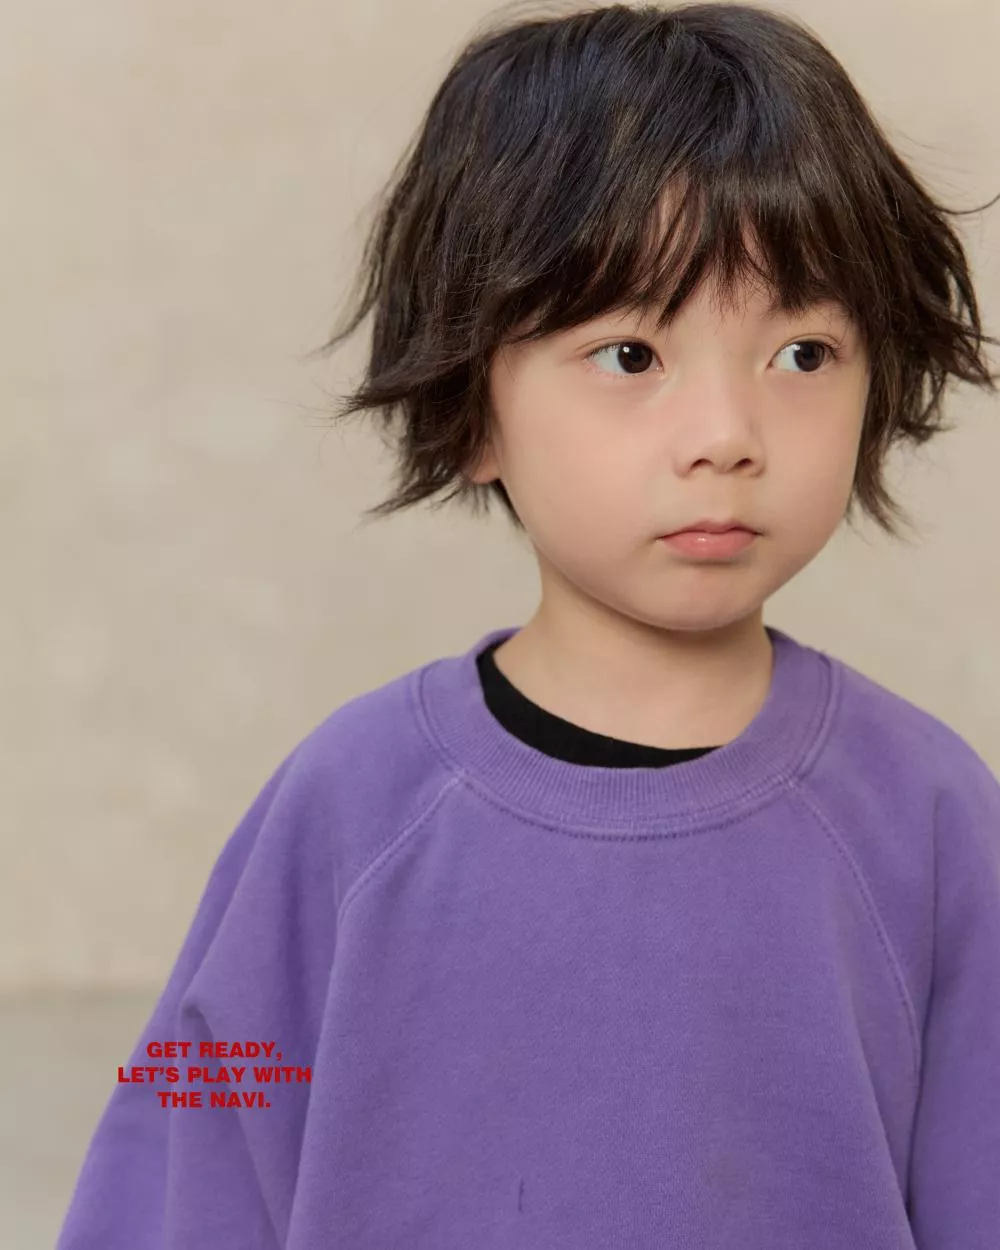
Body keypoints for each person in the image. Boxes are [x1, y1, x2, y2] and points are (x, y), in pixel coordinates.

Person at [57, 4, 1000, 1248]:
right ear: (472, 406)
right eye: (630, 355)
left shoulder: (929, 816)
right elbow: (194, 1157)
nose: (727, 434)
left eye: (803, 353)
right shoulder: (345, 809)